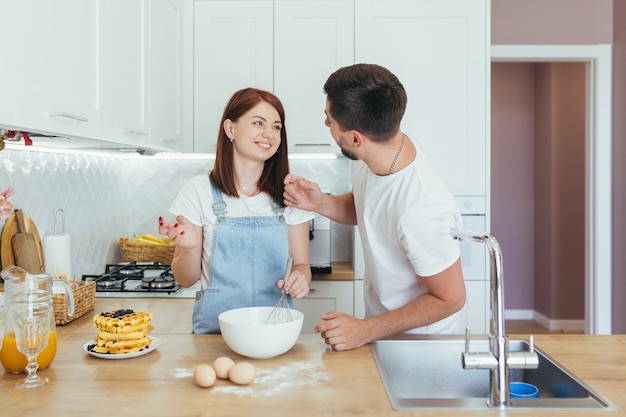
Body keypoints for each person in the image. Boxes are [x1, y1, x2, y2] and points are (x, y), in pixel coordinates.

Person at [283, 64, 466, 351]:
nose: (326, 124)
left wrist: (365, 329)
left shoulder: (423, 207)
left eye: (329, 119)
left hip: (424, 349)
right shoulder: (373, 154)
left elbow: (451, 298)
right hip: (382, 336)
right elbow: (365, 208)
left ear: (356, 138)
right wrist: (320, 203)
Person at [159, 88, 314, 334]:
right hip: (214, 334)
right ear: (230, 129)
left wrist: (301, 279)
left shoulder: (290, 194)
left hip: (274, 331)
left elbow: (302, 265)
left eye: (276, 127)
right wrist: (189, 248)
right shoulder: (197, 191)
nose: (269, 134)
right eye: (258, 123)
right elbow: (185, 279)